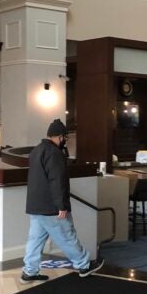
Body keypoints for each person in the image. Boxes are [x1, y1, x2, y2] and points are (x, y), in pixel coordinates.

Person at [22, 119, 104, 283]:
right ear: (60, 137)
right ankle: (84, 265)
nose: (65, 141)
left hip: (35, 206)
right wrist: (61, 205)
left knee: (35, 241)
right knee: (67, 236)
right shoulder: (55, 153)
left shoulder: (36, 151)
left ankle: (29, 271)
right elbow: (57, 180)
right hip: (51, 207)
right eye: (65, 138)